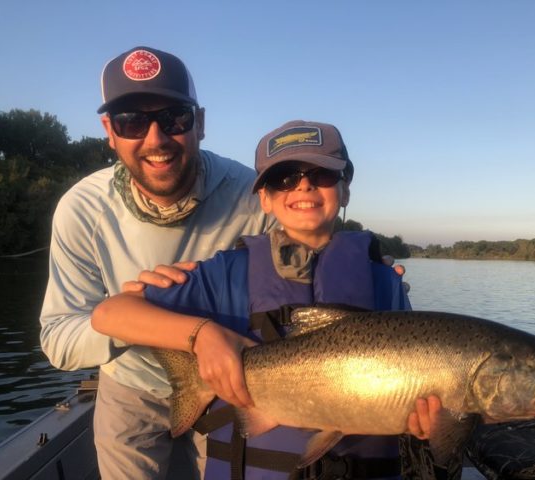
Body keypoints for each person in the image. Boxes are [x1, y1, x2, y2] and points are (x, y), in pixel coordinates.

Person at [92, 120, 441, 479]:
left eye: (322, 174)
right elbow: (108, 314)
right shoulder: (223, 273)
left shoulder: (385, 281)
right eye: (284, 178)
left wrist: (426, 421)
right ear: (265, 198)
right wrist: (201, 335)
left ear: (345, 190)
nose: (303, 184)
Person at [39, 46, 273, 479]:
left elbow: (301, 272)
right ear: (109, 131)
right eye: (131, 121)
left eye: (174, 118)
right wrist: (136, 320)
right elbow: (57, 338)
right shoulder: (82, 210)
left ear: (200, 123)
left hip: (226, 384)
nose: (156, 139)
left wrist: (372, 274)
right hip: (130, 386)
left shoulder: (252, 196)